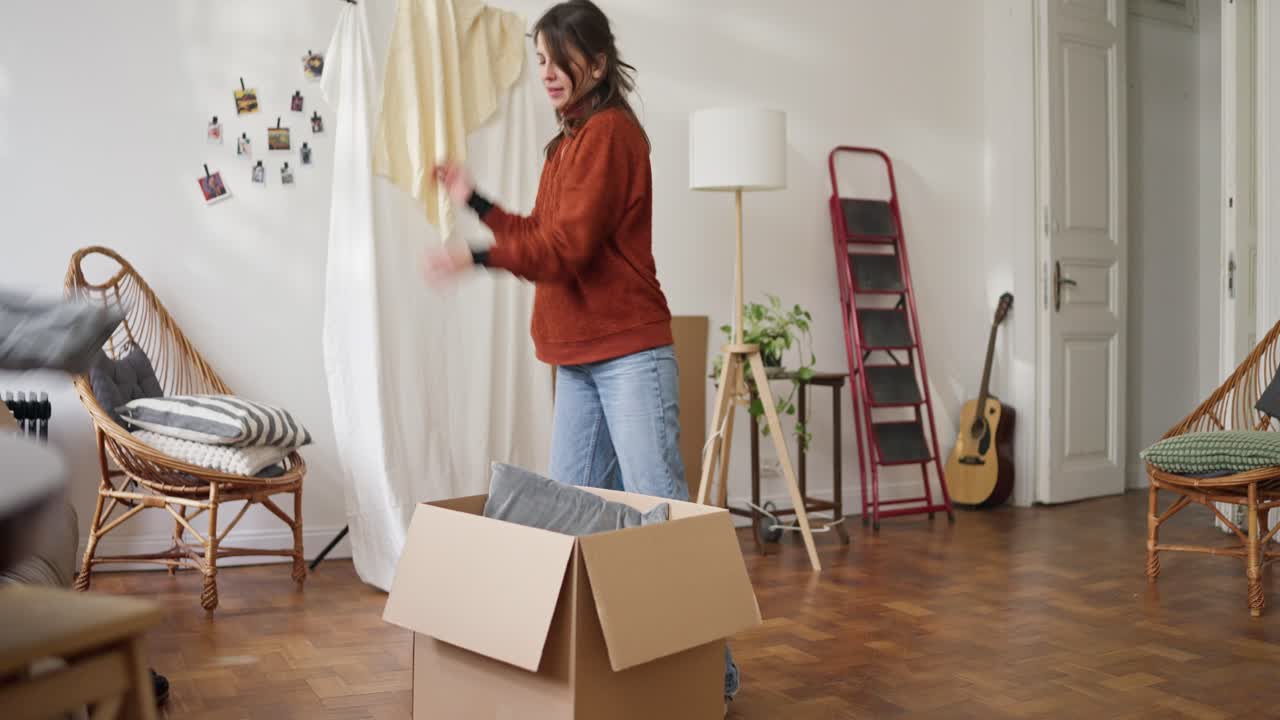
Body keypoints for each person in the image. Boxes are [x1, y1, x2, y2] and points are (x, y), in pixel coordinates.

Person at [422, 0, 740, 711]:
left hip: (629, 354)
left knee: (661, 526)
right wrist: (476, 205)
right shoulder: (568, 144)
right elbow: (541, 229)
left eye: (555, 58)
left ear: (594, 61)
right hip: (578, 358)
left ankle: (711, 682)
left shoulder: (613, 136)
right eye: (538, 60)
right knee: (567, 527)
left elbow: (565, 251)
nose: (546, 73)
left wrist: (475, 257)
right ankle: (593, 679)